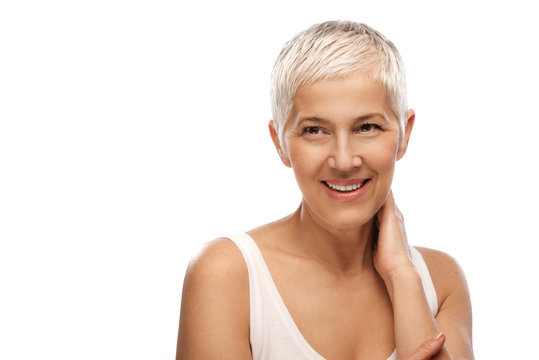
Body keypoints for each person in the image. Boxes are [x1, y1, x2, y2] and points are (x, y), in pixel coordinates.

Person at [176, 21, 473, 360]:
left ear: (404, 133)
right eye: (315, 130)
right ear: (279, 144)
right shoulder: (227, 274)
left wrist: (402, 276)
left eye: (367, 127)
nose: (344, 160)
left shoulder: (440, 280)